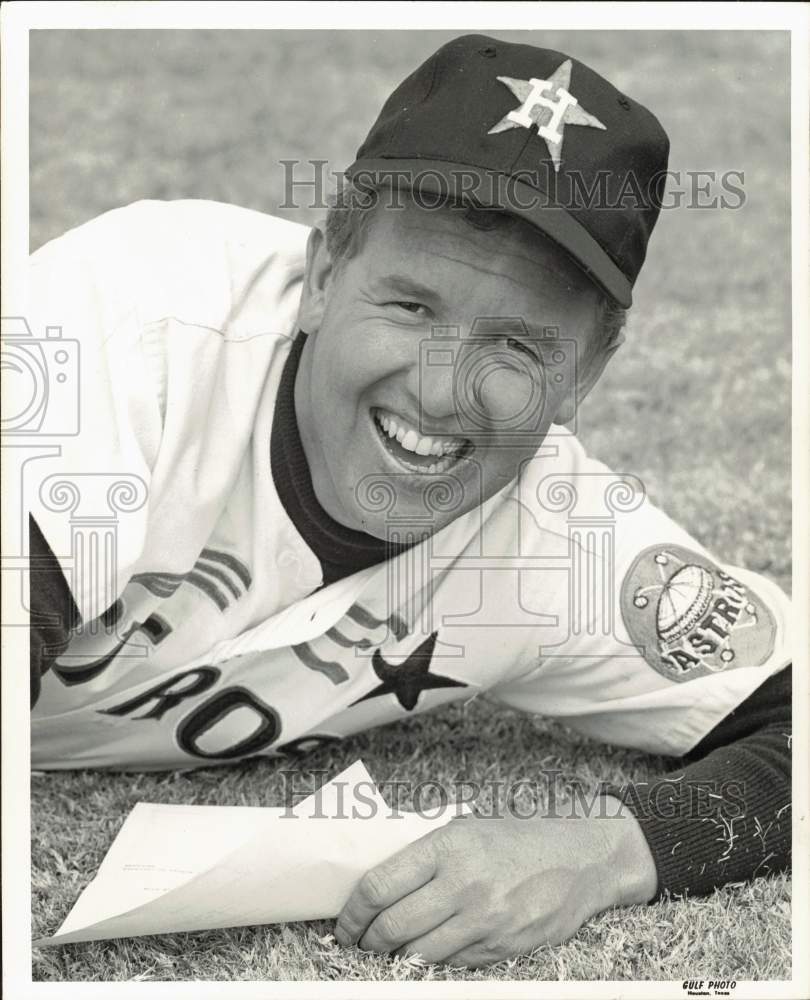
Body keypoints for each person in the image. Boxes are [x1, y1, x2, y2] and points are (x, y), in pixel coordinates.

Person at [26, 35, 791, 967]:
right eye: (411, 308)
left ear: (585, 374)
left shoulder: (559, 536)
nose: (439, 390)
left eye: (517, 345)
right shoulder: (132, 327)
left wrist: (608, 853)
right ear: (322, 277)